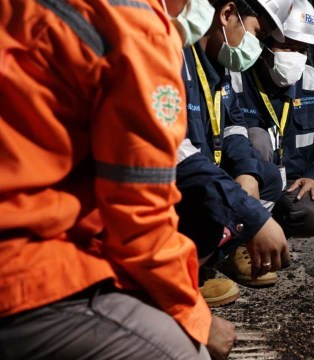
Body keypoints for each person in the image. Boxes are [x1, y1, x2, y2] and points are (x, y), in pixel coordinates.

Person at [0, 0, 245, 358]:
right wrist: (197, 318)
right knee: (186, 350)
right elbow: (141, 224)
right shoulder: (137, 26)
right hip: (23, 268)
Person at [176, 0, 294, 292]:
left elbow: (233, 124)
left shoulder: (220, 66)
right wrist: (251, 215)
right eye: (256, 33)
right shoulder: (177, 59)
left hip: (200, 169)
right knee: (218, 202)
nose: (256, 46)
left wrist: (246, 172)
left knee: (265, 178)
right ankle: (179, 276)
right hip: (174, 180)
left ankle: (215, 257)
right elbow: (178, 152)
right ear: (227, 14)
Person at [230, 0, 314, 238]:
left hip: (293, 182)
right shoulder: (240, 79)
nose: (295, 57)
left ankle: (272, 227)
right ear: (265, 45)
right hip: (248, 182)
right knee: (256, 137)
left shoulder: (312, 82)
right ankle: (246, 232)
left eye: (302, 50)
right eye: (287, 47)